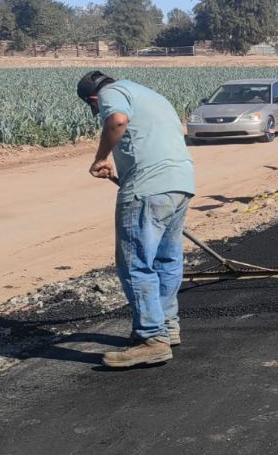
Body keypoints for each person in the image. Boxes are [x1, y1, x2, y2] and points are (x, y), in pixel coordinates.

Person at [77, 71, 195, 369]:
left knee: (135, 263)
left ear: (93, 97)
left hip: (146, 191)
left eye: (94, 107)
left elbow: (117, 121)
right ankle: (168, 327)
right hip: (179, 184)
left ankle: (151, 339)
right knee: (166, 261)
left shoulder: (110, 94)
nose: (97, 109)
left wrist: (101, 156)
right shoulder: (149, 95)